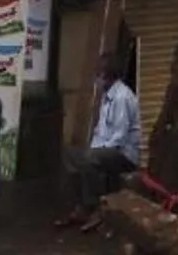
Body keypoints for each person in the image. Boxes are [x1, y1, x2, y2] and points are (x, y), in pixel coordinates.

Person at [59, 61, 142, 229]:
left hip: (124, 154)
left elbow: (119, 137)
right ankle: (82, 205)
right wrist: (92, 150)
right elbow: (101, 131)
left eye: (97, 76)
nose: (96, 81)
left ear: (105, 77)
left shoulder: (122, 97)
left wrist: (94, 152)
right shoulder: (107, 96)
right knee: (70, 154)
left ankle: (94, 206)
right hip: (107, 149)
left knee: (89, 158)